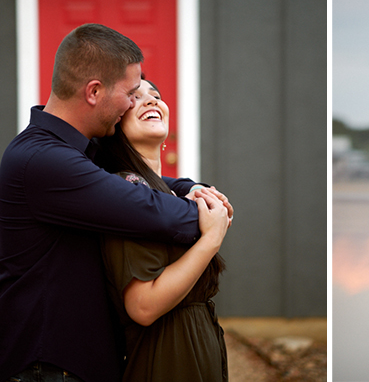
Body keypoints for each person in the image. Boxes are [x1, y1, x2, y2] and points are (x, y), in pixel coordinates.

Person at [0, 24, 230, 382]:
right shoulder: (44, 160)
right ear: (94, 92)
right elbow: (156, 212)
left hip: (74, 364)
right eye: (130, 94)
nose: (132, 103)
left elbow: (146, 186)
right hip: (48, 367)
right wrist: (211, 217)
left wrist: (193, 187)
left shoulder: (69, 156)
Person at [94, 77, 229, 381]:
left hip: (197, 347)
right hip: (164, 358)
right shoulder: (128, 196)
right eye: (135, 98)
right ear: (114, 122)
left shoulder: (168, 197)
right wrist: (210, 239)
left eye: (155, 95)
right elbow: (142, 306)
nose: (151, 100)